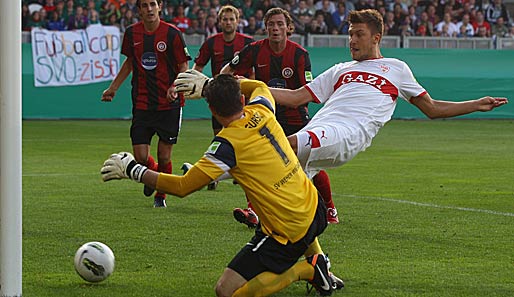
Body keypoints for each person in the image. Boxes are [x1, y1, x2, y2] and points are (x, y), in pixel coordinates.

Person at [176, 9, 508, 202]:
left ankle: (214, 171)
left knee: (275, 145)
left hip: (346, 133)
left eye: (358, 35)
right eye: (350, 34)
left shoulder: (396, 67)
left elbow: (432, 108)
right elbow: (293, 97)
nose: (352, 40)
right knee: (277, 182)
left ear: (376, 37)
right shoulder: (341, 70)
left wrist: (474, 104)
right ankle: (308, 252)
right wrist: (238, 88)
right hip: (319, 129)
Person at [101, 75, 344, 296]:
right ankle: (318, 258)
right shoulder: (263, 108)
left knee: (226, 291)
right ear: (241, 98)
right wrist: (209, 83)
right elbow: (259, 86)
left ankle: (309, 270)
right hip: (315, 208)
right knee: (291, 212)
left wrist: (135, 170)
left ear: (212, 110)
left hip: (287, 231)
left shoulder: (226, 146)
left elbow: (183, 186)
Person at [220, 7, 339, 226]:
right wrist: (220, 87)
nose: (275, 28)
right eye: (271, 25)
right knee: (253, 162)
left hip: (295, 119)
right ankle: (253, 211)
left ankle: (330, 207)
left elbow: (306, 90)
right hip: (265, 117)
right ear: (265, 28)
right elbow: (228, 70)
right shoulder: (254, 50)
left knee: (307, 163)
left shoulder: (300, 54)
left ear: (289, 27)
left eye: (280, 24)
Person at [101, 0, 191, 207]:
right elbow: (130, 62)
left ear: (160, 6)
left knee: (164, 155)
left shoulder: (172, 34)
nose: (149, 9)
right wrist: (113, 87)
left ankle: (161, 195)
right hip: (142, 103)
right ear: (139, 10)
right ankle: (150, 173)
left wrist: (174, 87)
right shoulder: (132, 33)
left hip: (169, 104)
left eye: (152, 4)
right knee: (141, 157)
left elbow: (184, 66)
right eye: (144, 5)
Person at [192, 5, 254, 191]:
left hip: (242, 99)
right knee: (219, 137)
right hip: (218, 97)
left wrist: (252, 91)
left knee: (245, 137)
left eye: (231, 19)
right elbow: (198, 66)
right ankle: (214, 174)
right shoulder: (211, 43)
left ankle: (241, 171)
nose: (228, 22)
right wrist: (200, 86)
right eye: (225, 19)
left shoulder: (248, 43)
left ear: (237, 21)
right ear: (220, 22)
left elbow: (254, 71)